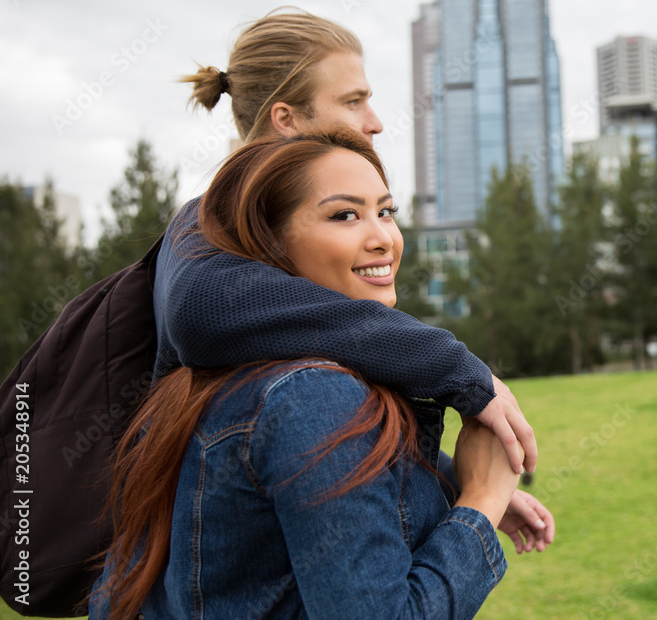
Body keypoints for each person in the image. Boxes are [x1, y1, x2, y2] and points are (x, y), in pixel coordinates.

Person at [162, 8, 553, 554]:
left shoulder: (269, 245)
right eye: (353, 101)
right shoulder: (206, 228)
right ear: (286, 119)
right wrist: (454, 367)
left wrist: (448, 479)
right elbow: (201, 312)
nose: (375, 121)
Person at [90, 129, 522, 619]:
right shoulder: (315, 396)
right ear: (271, 243)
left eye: (386, 211)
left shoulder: (203, 383)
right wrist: (481, 503)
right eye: (344, 215)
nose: (382, 238)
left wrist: (447, 481)